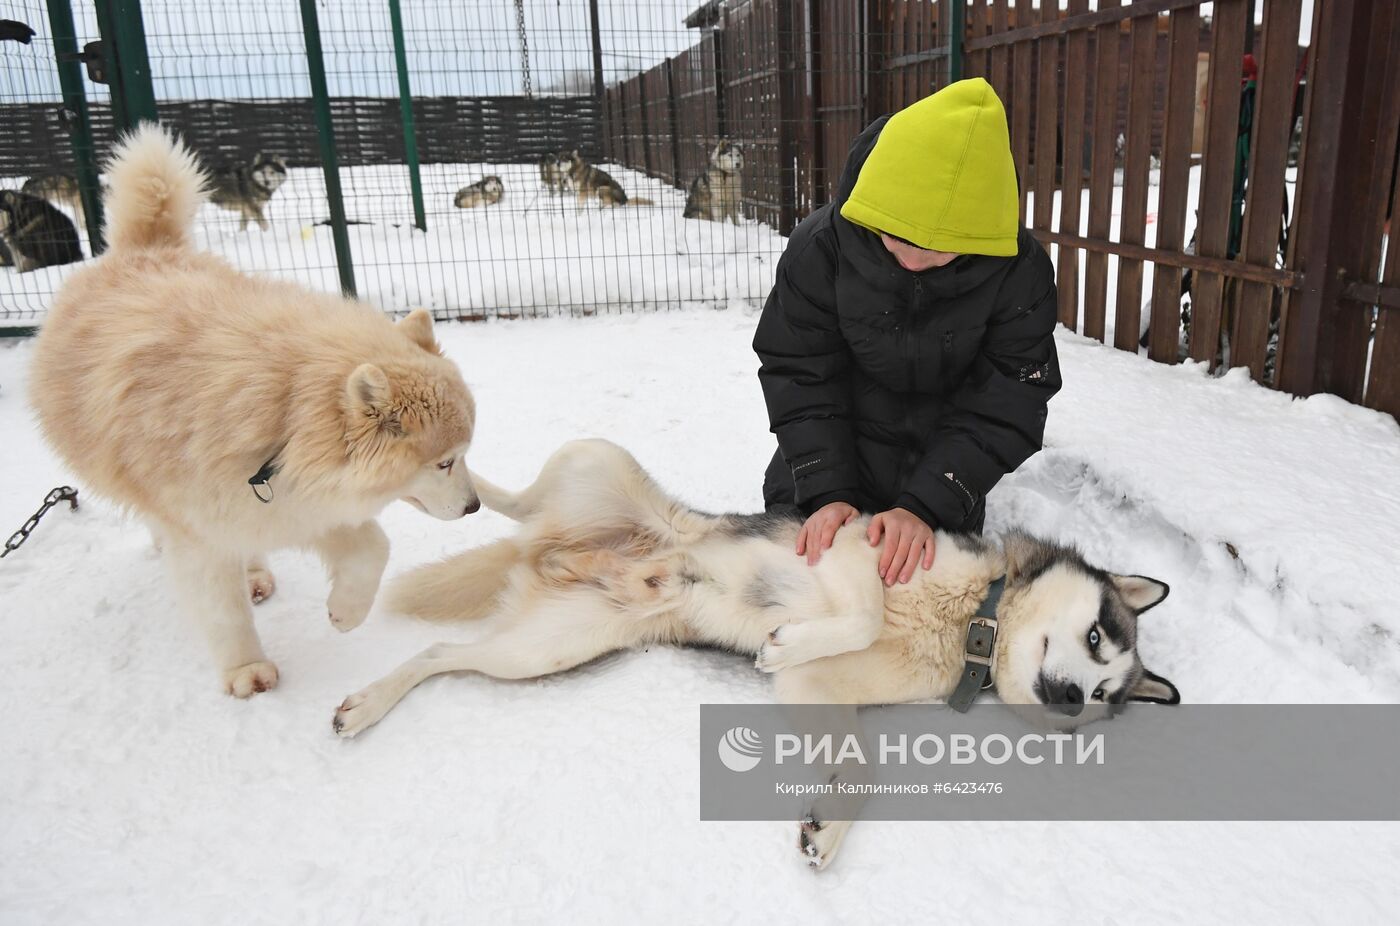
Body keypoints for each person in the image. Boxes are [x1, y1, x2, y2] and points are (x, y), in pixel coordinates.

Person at [753, 77, 1061, 587]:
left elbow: (1011, 398)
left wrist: (928, 503)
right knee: (801, 573)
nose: (913, 262)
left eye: (942, 250)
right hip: (839, 436)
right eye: (895, 236)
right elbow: (801, 371)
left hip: (942, 455)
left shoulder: (1019, 274)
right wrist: (824, 489)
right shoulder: (821, 248)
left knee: (922, 591)